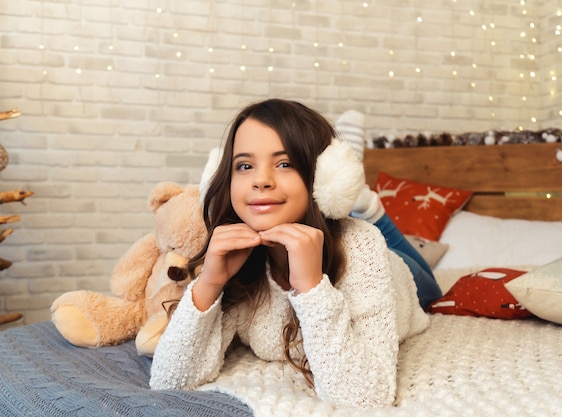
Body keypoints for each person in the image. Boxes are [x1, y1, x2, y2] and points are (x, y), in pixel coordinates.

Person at [149, 99, 440, 408]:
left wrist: (312, 288)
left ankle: (371, 208)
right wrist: (210, 282)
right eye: (245, 166)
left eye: (284, 163)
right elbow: (169, 380)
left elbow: (367, 397)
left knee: (432, 285)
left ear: (320, 177)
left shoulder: (361, 245)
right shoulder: (234, 253)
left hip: (402, 276)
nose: (261, 180)